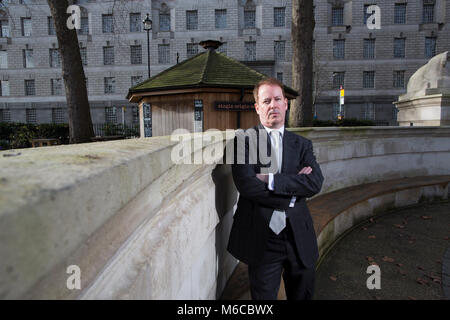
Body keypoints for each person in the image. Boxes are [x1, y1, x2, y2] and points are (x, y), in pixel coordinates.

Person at [227, 78, 324, 300]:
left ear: (286, 104)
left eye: (278, 99)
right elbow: (247, 185)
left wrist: (271, 180)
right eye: (267, 100)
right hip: (262, 238)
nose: (273, 105)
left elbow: (315, 182)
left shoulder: (302, 145)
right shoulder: (244, 142)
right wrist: (292, 194)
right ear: (257, 107)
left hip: (299, 236)